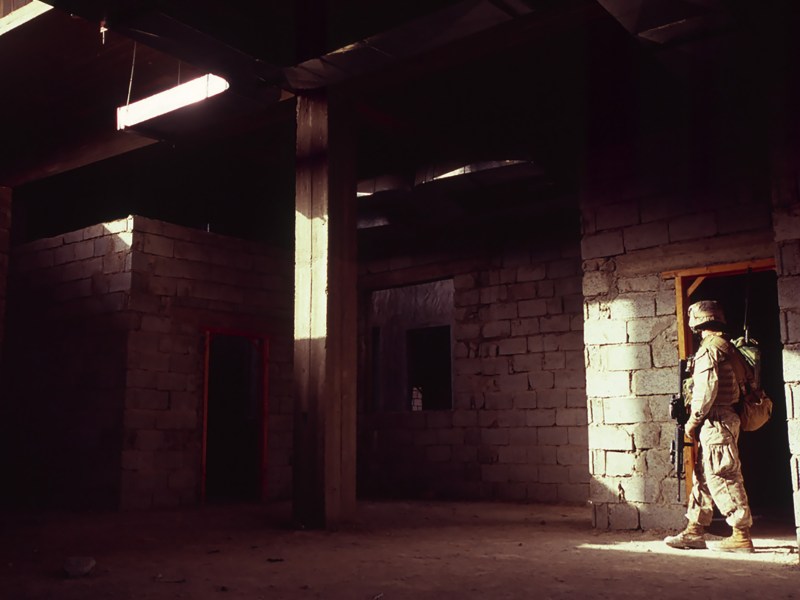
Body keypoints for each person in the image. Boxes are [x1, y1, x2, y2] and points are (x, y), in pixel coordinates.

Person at [664, 300, 754, 553]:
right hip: (722, 420)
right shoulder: (727, 347)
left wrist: (692, 422)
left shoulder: (709, 349)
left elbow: (705, 392)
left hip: (716, 420)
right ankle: (694, 530)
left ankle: (741, 535)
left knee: (723, 476)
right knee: (704, 475)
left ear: (697, 322)